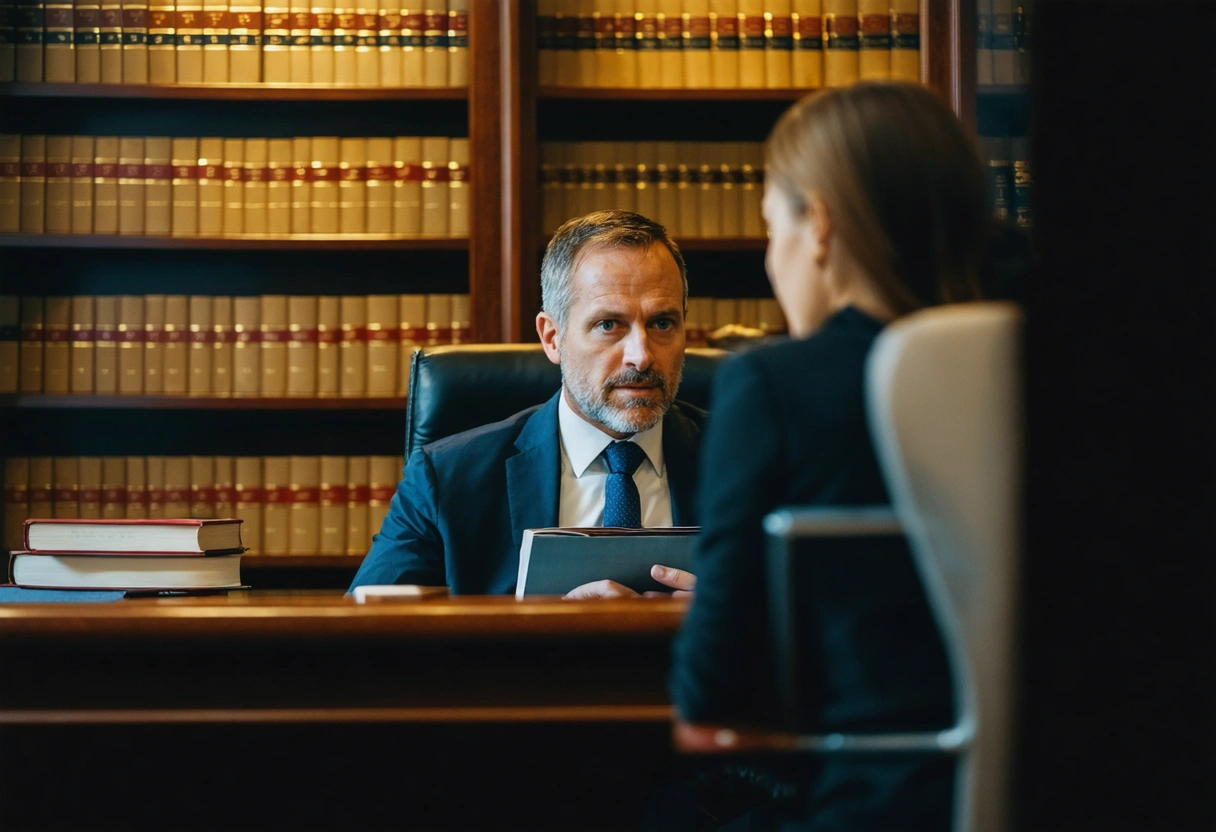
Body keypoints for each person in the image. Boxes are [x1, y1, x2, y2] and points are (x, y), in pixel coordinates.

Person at [667, 82, 991, 830]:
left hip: (869, 807)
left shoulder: (775, 386)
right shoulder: (1066, 373)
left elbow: (712, 688)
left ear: (817, 225)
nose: (772, 259)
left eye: (770, 226)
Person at [349, 210, 703, 597]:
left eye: (662, 323)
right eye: (609, 325)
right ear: (552, 337)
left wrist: (736, 622)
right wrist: (539, 633)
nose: (642, 356)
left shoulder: (758, 460)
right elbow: (361, 640)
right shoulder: (448, 479)